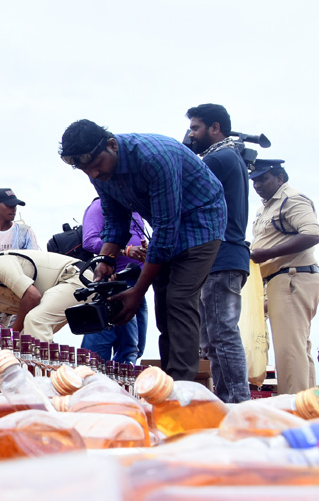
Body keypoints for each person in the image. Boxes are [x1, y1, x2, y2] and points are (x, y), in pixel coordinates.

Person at [59, 119, 225, 382]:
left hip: (201, 224)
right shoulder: (100, 172)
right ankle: (169, 382)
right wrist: (105, 259)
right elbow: (115, 220)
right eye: (85, 170)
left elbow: (166, 229)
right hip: (166, 227)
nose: (94, 175)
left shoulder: (154, 158)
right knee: (164, 306)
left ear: (112, 145)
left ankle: (181, 388)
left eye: (96, 167)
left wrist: (138, 290)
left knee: (179, 300)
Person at [185, 103, 252, 402]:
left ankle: (237, 402)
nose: (190, 134)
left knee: (221, 334)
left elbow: (185, 189)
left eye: (195, 128)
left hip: (221, 258)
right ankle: (229, 398)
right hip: (228, 257)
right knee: (214, 337)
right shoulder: (230, 157)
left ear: (215, 128)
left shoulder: (218, 160)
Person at [249, 159, 319, 392]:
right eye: (254, 180)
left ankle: (292, 408)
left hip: (293, 276)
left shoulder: (291, 199)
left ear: (280, 178)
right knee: (297, 348)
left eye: (263, 178)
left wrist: (266, 253)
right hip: (280, 279)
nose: (257, 184)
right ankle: (306, 407)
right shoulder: (266, 207)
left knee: (290, 349)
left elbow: (312, 233)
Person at [80, 197, 148, 363]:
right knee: (97, 351)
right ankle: (95, 384)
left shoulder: (137, 210)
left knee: (133, 348)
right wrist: (126, 251)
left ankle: (123, 387)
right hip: (113, 284)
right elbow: (89, 241)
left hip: (138, 284)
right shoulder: (99, 205)